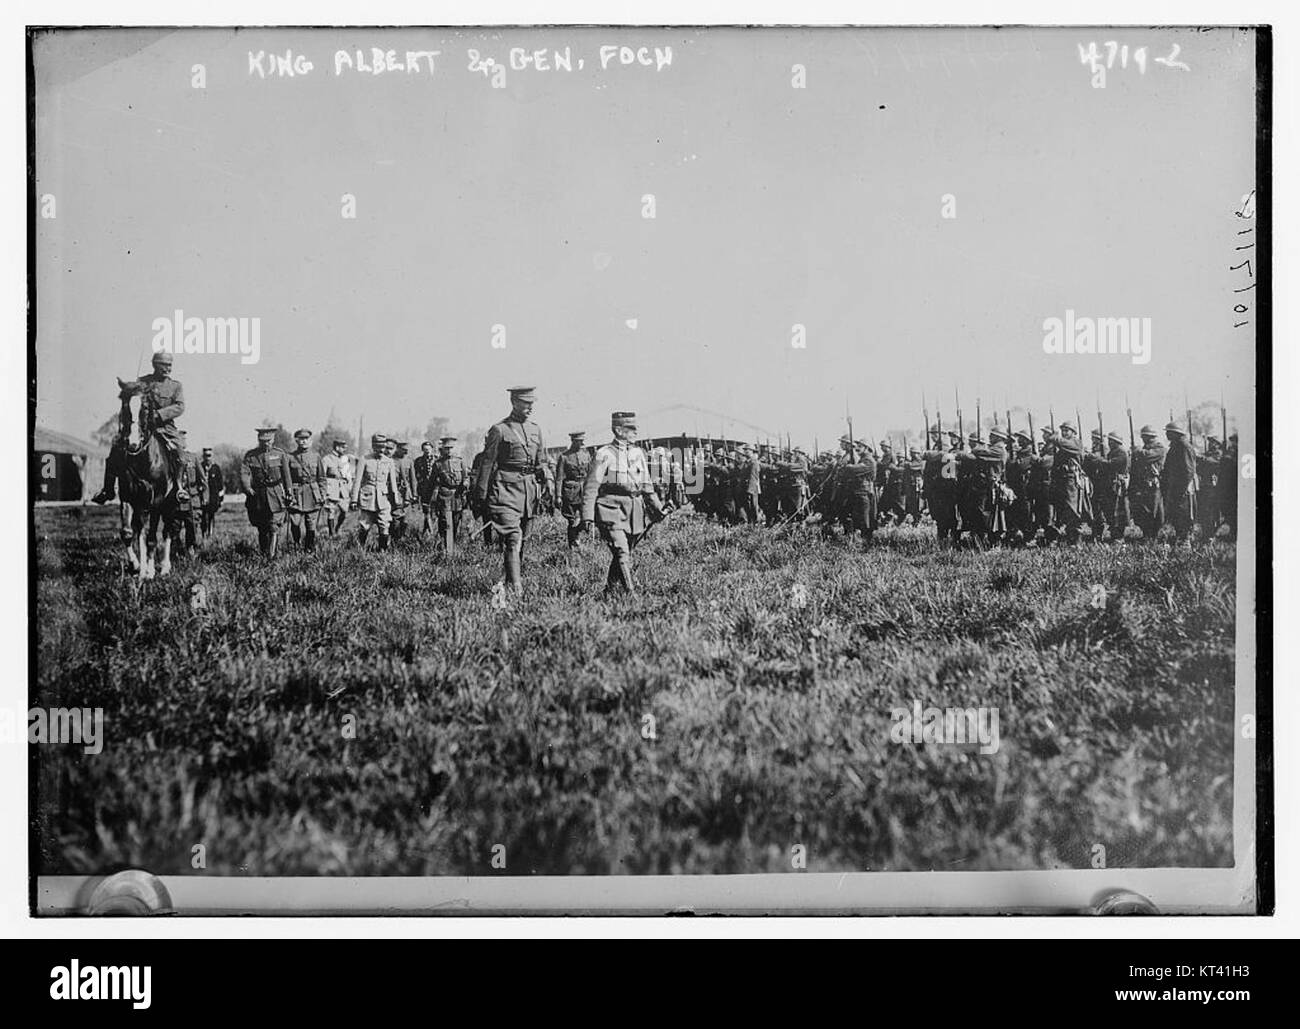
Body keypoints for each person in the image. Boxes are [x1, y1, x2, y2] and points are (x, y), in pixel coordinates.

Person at [472, 386, 554, 595]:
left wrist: (547, 477)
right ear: (514, 402)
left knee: (523, 538)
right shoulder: (499, 430)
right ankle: (517, 589)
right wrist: (480, 496)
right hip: (505, 489)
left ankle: (510, 578)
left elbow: (541, 460)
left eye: (532, 403)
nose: (530, 407)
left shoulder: (536, 429)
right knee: (513, 537)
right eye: (526, 403)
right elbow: (487, 464)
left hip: (529, 491)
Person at [581, 411, 665, 594]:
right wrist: (587, 516)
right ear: (618, 430)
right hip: (610, 509)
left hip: (634, 511)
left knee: (625, 550)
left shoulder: (638, 453)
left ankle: (609, 590)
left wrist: (658, 507)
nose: (636, 432)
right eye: (631, 428)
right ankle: (631, 593)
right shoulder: (603, 454)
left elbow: (646, 484)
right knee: (621, 550)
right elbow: (591, 487)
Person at [92, 351, 185, 504]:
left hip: (165, 428)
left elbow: (180, 407)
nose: (168, 368)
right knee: (115, 451)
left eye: (170, 365)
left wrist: (159, 415)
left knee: (180, 452)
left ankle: (180, 488)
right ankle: (107, 490)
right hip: (139, 428)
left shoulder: (175, 386)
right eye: (164, 365)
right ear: (155, 365)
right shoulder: (142, 381)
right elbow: (130, 400)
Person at [240, 426, 292, 558]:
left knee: (274, 525)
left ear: (273, 440)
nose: (266, 443)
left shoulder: (280, 454)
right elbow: (244, 472)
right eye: (263, 440)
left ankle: (271, 555)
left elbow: (286, 476)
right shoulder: (251, 456)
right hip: (258, 495)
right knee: (262, 527)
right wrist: (247, 488)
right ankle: (264, 553)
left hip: (275, 494)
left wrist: (289, 491)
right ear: (259, 440)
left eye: (268, 440)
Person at [350, 433, 401, 550]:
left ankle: (382, 552)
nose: (381, 450)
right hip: (367, 498)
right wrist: (354, 500)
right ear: (373, 446)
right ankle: (360, 551)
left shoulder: (389, 461)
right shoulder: (364, 459)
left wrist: (396, 500)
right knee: (364, 526)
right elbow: (357, 481)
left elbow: (393, 483)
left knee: (384, 525)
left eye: (383, 447)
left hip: (383, 499)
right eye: (378, 447)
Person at [284, 429, 327, 552]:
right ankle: (296, 545)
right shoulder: (290, 457)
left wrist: (323, 494)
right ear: (296, 441)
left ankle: (309, 548)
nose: (303, 441)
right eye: (300, 439)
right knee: (295, 522)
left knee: (311, 524)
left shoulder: (316, 457)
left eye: (306, 439)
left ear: (310, 441)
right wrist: (288, 494)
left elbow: (322, 478)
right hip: (296, 493)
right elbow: (286, 478)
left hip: (313, 493)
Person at [1161, 421, 1198, 545]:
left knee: (1184, 514)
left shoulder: (1183, 446)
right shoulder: (1176, 446)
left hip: (1182, 489)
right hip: (1176, 487)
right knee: (1177, 514)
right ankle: (1181, 537)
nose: (1166, 434)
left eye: (1168, 432)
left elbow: (1188, 471)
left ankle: (1185, 540)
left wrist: (1181, 489)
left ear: (1175, 433)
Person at [554, 431, 593, 548]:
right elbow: (559, 478)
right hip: (570, 491)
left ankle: (578, 537)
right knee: (571, 520)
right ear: (573, 441)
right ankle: (573, 544)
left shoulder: (586, 455)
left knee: (586, 518)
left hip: (584, 490)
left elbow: (591, 474)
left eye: (582, 441)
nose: (581, 443)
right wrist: (558, 496)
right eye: (579, 441)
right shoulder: (564, 456)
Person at [431, 436, 469, 554]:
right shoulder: (438, 464)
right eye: (447, 448)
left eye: (451, 448)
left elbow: (466, 477)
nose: (449, 451)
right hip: (444, 495)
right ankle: (445, 545)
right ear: (443, 449)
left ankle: (452, 543)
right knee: (444, 521)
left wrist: (466, 483)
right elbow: (432, 481)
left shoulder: (461, 461)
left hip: (457, 495)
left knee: (456, 520)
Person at [1129, 425, 1166, 541]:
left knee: (1154, 511)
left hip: (1154, 485)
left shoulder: (1159, 448)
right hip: (1142, 484)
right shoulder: (1144, 449)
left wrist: (1137, 450)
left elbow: (1147, 456)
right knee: (1142, 510)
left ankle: (1153, 535)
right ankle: (1146, 533)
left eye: (1145, 437)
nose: (1143, 439)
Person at [171, 430, 203, 556]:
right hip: (176, 500)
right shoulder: (171, 458)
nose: (183, 442)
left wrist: (204, 498)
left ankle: (191, 550)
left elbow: (202, 480)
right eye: (180, 440)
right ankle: (176, 553)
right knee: (175, 528)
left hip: (191, 499)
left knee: (192, 527)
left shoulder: (192, 457)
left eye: (184, 440)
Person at [321, 438, 353, 536]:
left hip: (343, 489)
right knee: (331, 511)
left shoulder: (345, 459)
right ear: (337, 447)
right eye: (343, 448)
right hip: (332, 488)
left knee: (344, 511)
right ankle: (332, 533)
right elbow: (322, 475)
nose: (344, 450)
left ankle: (338, 527)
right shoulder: (327, 459)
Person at [198, 446, 225, 541]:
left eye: (209, 455)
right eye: (205, 455)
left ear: (212, 456)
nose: (207, 458)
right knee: (203, 518)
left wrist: (221, 500)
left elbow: (220, 485)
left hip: (213, 498)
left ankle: (211, 534)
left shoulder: (216, 468)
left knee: (211, 517)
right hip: (203, 497)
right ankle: (203, 535)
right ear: (203, 456)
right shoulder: (199, 467)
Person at [414, 440, 439, 537]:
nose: (427, 451)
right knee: (426, 511)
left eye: (428, 449)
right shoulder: (418, 461)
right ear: (422, 450)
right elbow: (416, 475)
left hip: (436, 489)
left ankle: (430, 531)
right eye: (425, 450)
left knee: (435, 511)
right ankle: (428, 532)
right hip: (424, 489)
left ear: (432, 449)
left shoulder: (437, 459)